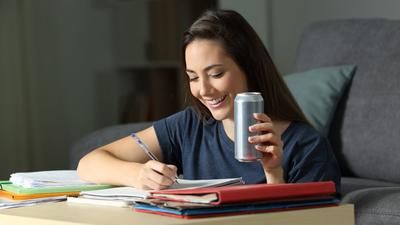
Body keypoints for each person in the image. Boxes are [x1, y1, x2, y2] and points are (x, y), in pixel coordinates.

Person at [77, 9, 341, 192]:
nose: (203, 90)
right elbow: (89, 163)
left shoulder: (307, 147)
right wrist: (137, 174)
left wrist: (273, 174)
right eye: (193, 77)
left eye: (216, 74)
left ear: (249, 68)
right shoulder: (189, 126)